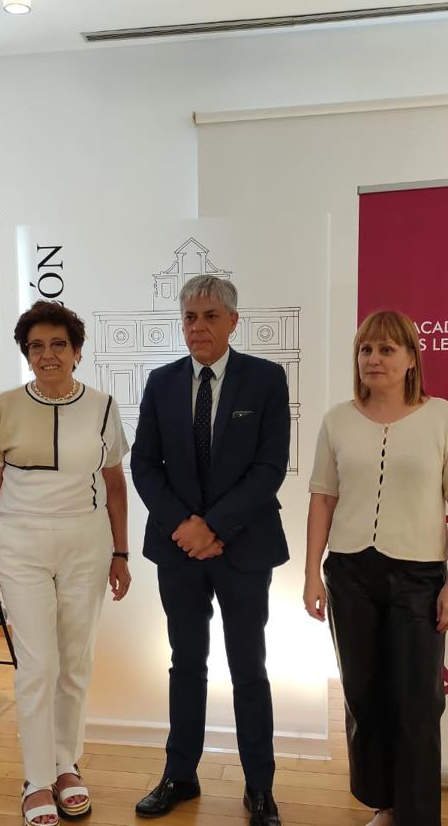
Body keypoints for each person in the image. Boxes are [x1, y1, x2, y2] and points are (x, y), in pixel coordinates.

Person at [302, 309, 448, 826]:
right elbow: (322, 499)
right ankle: (385, 801)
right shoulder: (337, 420)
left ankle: (418, 815)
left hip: (419, 577)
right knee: (362, 693)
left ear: (410, 359)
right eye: (365, 350)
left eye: (386, 349)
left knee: (419, 701)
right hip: (351, 573)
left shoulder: (445, 418)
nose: (373, 359)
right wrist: (313, 572)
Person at [131, 275, 288, 826]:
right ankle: (180, 774)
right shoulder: (161, 382)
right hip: (179, 550)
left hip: (243, 548)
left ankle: (260, 787)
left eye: (210, 316)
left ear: (233, 322)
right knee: (185, 664)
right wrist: (184, 527)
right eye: (190, 317)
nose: (198, 327)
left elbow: (270, 467)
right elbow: (143, 465)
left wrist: (214, 526)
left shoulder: (266, 380)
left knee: (249, 667)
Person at [0, 301, 132, 826]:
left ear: (77, 351)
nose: (48, 354)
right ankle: (36, 778)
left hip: (87, 543)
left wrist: (120, 552)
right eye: (37, 346)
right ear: (26, 353)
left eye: (58, 344)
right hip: (20, 543)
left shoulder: (104, 407)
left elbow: (114, 484)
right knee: (38, 665)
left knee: (76, 659)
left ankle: (67, 765)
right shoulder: (5, 407)